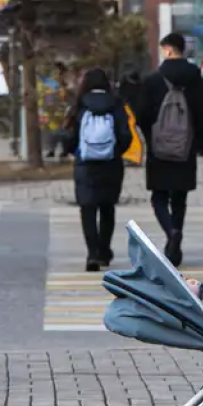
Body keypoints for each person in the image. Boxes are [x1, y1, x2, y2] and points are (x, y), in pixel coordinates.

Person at [135, 33, 203, 267]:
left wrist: (151, 138)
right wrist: (201, 142)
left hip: (159, 148)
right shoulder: (196, 79)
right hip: (185, 147)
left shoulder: (153, 80)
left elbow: (142, 114)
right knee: (180, 197)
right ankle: (175, 240)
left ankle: (170, 232)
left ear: (167, 50)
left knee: (159, 196)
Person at [63, 68, 132, 272]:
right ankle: (104, 251)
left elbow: (69, 136)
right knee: (107, 208)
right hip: (111, 164)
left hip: (85, 165)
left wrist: (76, 152)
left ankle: (92, 253)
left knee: (88, 208)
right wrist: (115, 151)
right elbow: (126, 135)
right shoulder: (116, 103)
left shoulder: (79, 104)